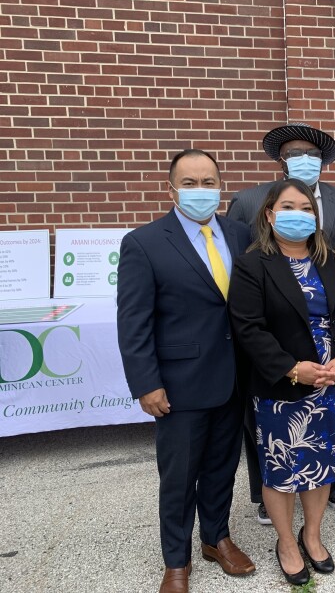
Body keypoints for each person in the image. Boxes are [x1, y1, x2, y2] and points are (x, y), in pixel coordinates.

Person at [117, 149, 255, 593]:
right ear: (171, 189)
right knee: (178, 477)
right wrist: (146, 383)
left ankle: (216, 539)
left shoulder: (239, 234)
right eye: (191, 183)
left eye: (209, 181)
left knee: (221, 467)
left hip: (234, 377)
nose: (202, 191)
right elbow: (134, 321)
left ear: (221, 185)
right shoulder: (144, 243)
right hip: (178, 385)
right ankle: (176, 561)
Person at [227, 178, 335, 585]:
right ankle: (286, 542)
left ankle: (313, 534)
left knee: (321, 466)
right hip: (280, 386)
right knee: (282, 469)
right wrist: (292, 368)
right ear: (269, 215)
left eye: (306, 209)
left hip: (330, 382)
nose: (298, 215)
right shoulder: (253, 265)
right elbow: (248, 328)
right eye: (288, 207)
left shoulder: (332, 261)